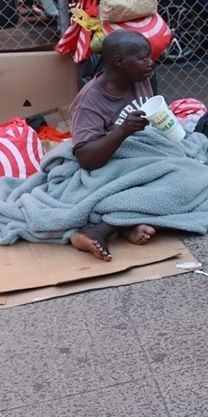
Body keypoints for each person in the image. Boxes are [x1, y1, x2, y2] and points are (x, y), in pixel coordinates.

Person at [66, 29, 159, 260]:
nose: (150, 63)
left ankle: (125, 225)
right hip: (109, 165)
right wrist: (122, 131)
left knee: (202, 170)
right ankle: (100, 230)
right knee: (186, 182)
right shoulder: (90, 101)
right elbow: (86, 158)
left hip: (145, 154)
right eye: (143, 58)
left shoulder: (143, 76)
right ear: (119, 62)